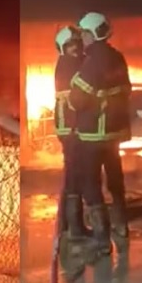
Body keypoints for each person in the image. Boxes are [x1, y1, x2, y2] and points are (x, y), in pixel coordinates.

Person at [69, 12, 132, 254]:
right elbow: (126, 89)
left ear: (92, 34)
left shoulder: (92, 62)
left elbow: (77, 99)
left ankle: (101, 238)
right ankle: (121, 225)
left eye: (84, 33)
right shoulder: (118, 58)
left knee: (90, 182)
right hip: (114, 132)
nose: (82, 39)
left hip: (93, 134)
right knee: (115, 178)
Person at [53, 26, 90, 240]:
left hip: (73, 127)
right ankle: (74, 228)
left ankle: (70, 225)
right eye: (70, 45)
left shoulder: (72, 62)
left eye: (77, 43)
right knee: (74, 176)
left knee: (74, 175)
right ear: (63, 47)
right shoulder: (69, 65)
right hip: (71, 128)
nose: (75, 48)